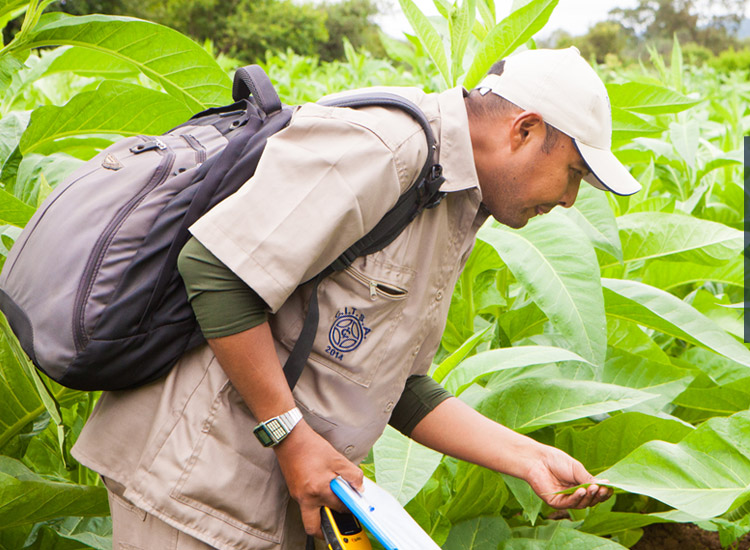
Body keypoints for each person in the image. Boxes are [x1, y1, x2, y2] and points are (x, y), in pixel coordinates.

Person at [69, 47, 636, 550]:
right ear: (525, 130)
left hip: (283, 498)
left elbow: (396, 386)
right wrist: (290, 437)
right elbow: (217, 269)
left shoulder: (456, 200)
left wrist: (528, 458)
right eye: (573, 174)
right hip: (194, 483)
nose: (568, 201)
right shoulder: (385, 148)